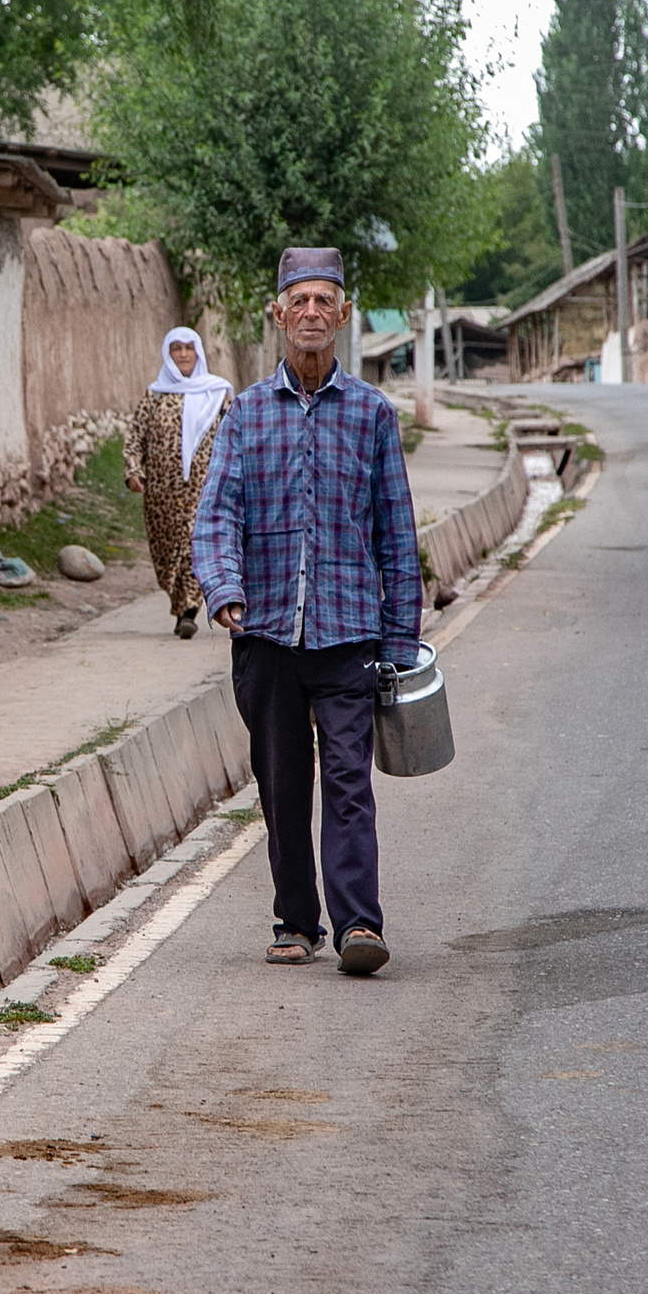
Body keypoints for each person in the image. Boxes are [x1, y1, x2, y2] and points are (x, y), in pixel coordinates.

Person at [191, 247, 421, 976]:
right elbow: (215, 514)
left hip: (349, 632)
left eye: (327, 301)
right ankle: (296, 919)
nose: (313, 313)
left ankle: (358, 924)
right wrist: (223, 587)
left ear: (345, 316)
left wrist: (402, 637)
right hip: (265, 638)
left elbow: (397, 531)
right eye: (302, 301)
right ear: (279, 313)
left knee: (349, 781)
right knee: (284, 783)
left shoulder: (373, 415)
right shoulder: (246, 415)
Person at [124, 326, 234, 639]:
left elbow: (234, 437)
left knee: (193, 546)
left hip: (204, 488)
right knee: (165, 549)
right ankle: (177, 599)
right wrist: (133, 470)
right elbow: (135, 437)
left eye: (189, 348)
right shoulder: (155, 394)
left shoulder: (218, 393)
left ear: (198, 352)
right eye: (177, 348)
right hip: (160, 493)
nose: (184, 354)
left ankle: (188, 610)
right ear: (168, 354)